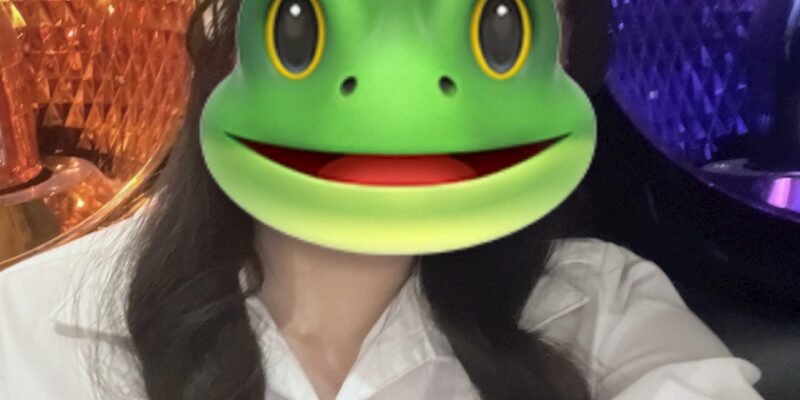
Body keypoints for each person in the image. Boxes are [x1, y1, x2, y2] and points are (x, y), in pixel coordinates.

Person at [0, 0, 763, 399]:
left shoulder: (605, 311)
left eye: (498, 32)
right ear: (226, 33)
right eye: (302, 28)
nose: (400, 96)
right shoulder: (25, 331)